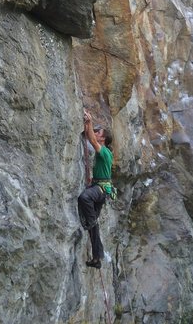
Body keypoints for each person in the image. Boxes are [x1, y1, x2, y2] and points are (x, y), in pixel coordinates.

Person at [77, 110, 113, 269]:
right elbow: (90, 136)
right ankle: (97, 258)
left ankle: (90, 221)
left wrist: (89, 122)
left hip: (101, 189)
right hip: (100, 187)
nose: (96, 133)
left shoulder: (104, 151)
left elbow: (91, 139)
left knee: (84, 198)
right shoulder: (107, 153)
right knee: (94, 227)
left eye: (99, 132)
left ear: (103, 138)